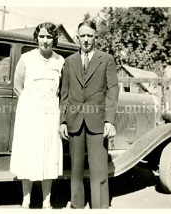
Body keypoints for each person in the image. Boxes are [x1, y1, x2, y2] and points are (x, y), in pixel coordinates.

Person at [59, 20, 119, 209]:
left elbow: (112, 91)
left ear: (96, 37)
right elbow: (64, 94)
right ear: (77, 37)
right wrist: (62, 121)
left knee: (99, 170)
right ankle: (77, 205)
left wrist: (110, 120)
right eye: (82, 36)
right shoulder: (69, 61)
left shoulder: (106, 59)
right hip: (74, 121)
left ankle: (99, 206)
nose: (86, 40)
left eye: (89, 36)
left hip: (98, 121)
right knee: (75, 169)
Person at [10, 22, 64, 209]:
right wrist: (31, 104)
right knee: (29, 156)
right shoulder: (26, 58)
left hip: (50, 115)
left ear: (53, 39)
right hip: (29, 116)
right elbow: (17, 85)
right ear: (37, 38)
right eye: (42, 36)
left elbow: (62, 90)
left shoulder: (60, 61)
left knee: (48, 156)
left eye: (49, 37)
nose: (45, 40)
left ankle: (46, 201)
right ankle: (26, 199)